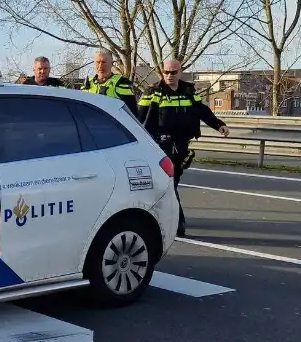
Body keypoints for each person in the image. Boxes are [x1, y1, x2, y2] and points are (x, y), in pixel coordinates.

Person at [139, 58, 231, 237]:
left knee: (172, 183)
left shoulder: (188, 91)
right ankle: (177, 222)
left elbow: (202, 111)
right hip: (160, 146)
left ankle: (161, 217)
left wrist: (219, 124)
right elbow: (140, 118)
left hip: (181, 146)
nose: (169, 75)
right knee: (169, 184)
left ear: (180, 72)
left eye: (173, 72)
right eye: (166, 72)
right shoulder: (153, 91)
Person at [80, 49, 137, 114]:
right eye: (98, 62)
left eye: (104, 62)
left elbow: (132, 114)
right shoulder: (87, 84)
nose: (100, 66)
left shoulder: (122, 83)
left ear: (112, 64)